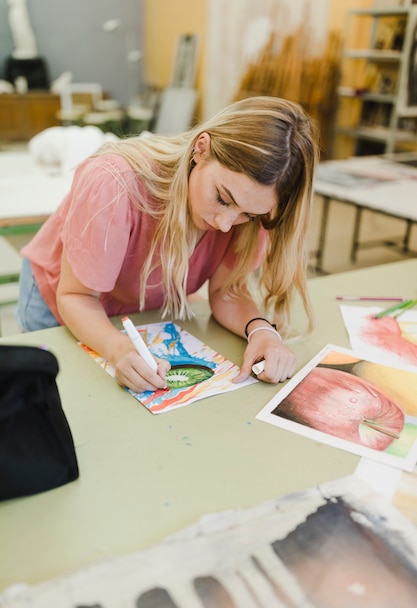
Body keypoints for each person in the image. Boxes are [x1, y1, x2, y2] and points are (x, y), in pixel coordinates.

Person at [16, 96, 319, 393]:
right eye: (223, 198)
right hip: (60, 298)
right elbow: (76, 297)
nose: (226, 224)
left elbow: (227, 292)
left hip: (139, 306)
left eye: (248, 215)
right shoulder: (115, 182)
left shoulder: (252, 207)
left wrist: (262, 331)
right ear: (201, 149)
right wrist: (118, 349)